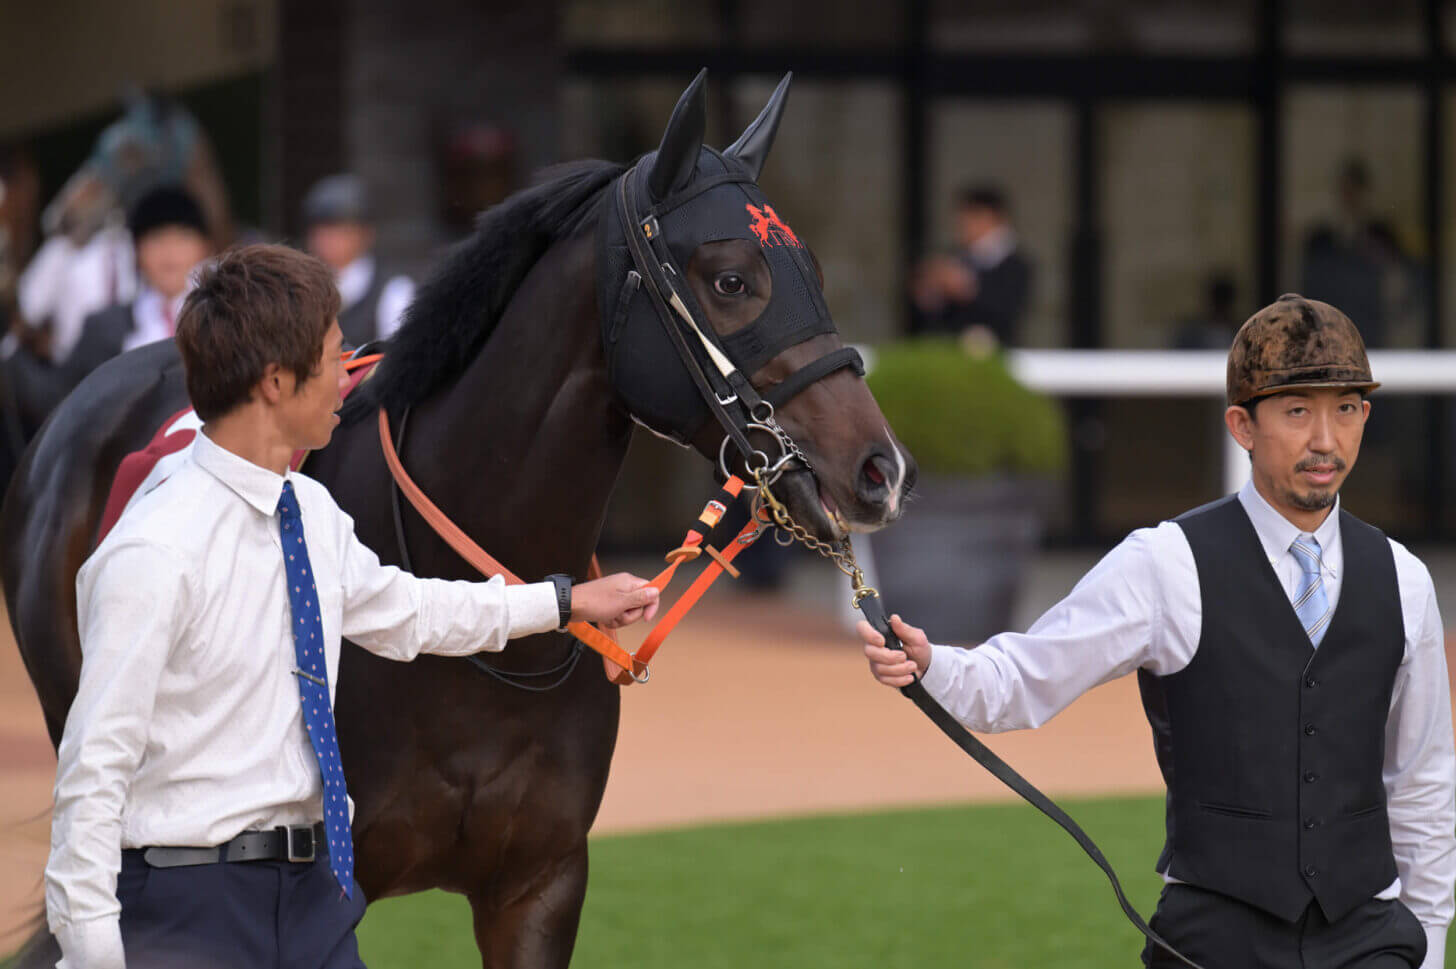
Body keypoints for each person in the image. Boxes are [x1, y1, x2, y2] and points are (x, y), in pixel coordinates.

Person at [44, 244, 660, 969]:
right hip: (187, 905)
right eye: (336, 357)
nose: (352, 377)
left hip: (312, 901)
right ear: (276, 381)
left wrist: (566, 601)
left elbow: (411, 613)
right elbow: (93, 769)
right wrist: (91, 955)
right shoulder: (151, 551)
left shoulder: (310, 510)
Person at [861, 294, 1454, 969]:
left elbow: (1423, 777)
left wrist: (1429, 942)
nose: (1325, 438)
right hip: (1212, 937)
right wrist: (933, 664)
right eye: (1297, 411)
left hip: (1369, 938)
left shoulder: (1405, 579)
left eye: (1344, 408)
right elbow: (1024, 679)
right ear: (1242, 424)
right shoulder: (1165, 564)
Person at [910, 183, 1032, 349]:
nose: (964, 225)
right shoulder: (955, 258)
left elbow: (1008, 312)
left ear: (992, 218)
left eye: (972, 217)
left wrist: (966, 289)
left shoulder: (1017, 264)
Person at [302, 174, 414, 347]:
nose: (327, 241)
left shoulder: (393, 290)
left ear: (365, 234)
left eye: (340, 232)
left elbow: (399, 361)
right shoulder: (302, 288)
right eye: (320, 232)